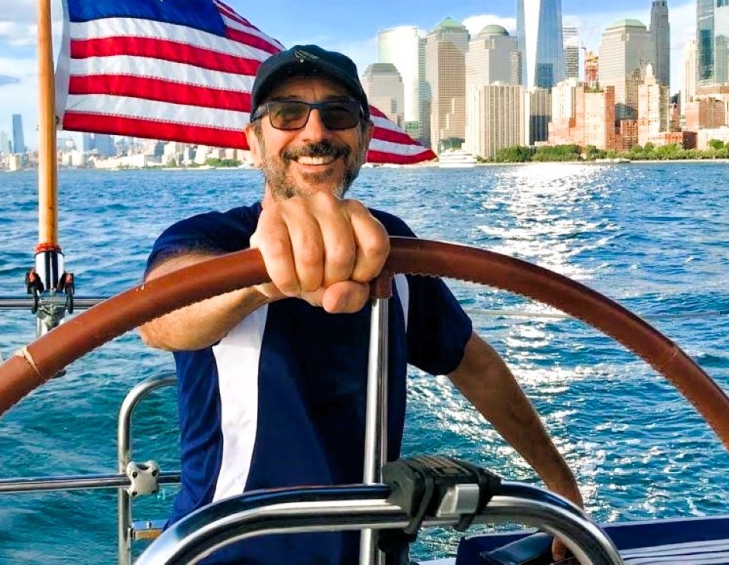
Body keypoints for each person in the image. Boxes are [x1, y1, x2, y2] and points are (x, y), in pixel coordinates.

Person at [140, 44, 582, 564]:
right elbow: (162, 316)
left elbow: (474, 364)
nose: (315, 132)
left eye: (338, 114)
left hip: (372, 546)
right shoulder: (209, 241)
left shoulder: (396, 248)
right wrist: (259, 279)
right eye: (286, 114)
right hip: (225, 549)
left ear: (364, 139)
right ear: (255, 142)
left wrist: (562, 490)